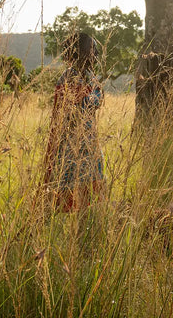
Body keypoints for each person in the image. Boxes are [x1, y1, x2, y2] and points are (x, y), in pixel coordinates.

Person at [42, 32, 105, 212]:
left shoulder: (89, 76)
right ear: (79, 52)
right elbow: (70, 114)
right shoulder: (69, 77)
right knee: (71, 198)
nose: (96, 54)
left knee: (92, 199)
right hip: (72, 146)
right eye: (92, 49)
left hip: (90, 143)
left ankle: (85, 234)